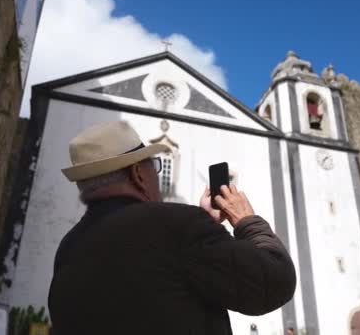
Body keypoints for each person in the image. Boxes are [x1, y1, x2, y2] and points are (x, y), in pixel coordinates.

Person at [48, 121, 296, 334]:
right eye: (154, 166)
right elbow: (274, 282)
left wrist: (202, 223)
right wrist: (246, 221)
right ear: (138, 174)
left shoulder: (69, 248)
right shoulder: (177, 226)